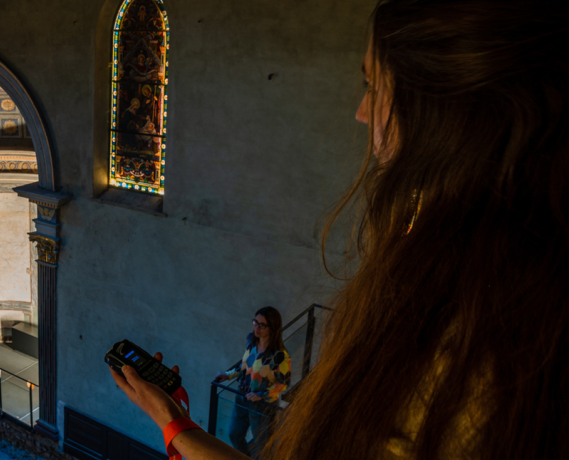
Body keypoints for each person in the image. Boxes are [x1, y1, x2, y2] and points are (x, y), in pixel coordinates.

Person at [110, 1, 569, 459]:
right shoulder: (505, 278)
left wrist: (174, 425)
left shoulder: (466, 339)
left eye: (373, 85)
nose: (361, 112)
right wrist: (174, 422)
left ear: (444, 111)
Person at [212, 307, 290, 458]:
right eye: (255, 322)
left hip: (262, 405)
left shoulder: (280, 355)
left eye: (262, 325)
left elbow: (283, 383)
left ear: (272, 328)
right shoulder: (251, 341)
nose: (256, 327)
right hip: (241, 396)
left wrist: (262, 395)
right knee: (234, 435)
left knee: (263, 445)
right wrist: (228, 375)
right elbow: (245, 366)